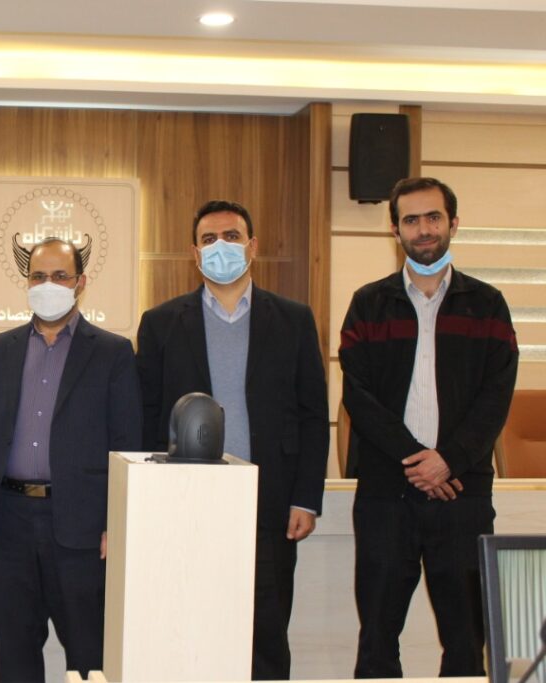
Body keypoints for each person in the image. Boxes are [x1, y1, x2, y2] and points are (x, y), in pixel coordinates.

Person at [136, 200, 328, 680]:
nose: (220, 246)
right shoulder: (161, 322)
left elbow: (312, 414)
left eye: (232, 236)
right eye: (209, 239)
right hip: (185, 504)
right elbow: (147, 418)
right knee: (188, 632)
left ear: (252, 246)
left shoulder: (294, 319)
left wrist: (306, 498)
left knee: (265, 635)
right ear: (194, 254)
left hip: (270, 501)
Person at [340, 177, 518, 678]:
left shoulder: (487, 304)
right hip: (385, 497)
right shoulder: (368, 304)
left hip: (462, 496)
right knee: (376, 641)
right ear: (394, 229)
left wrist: (448, 461)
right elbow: (359, 396)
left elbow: (496, 396)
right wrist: (417, 461)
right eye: (412, 219)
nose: (424, 229)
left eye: (433, 217)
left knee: (466, 643)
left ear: (453, 223)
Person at [0, 237, 142, 681]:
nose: (48, 285)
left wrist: (116, 524)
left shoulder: (112, 352)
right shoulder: (1, 348)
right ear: (27, 282)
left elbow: (127, 443)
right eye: (38, 276)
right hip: (9, 523)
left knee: (89, 656)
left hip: (81, 526)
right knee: (15, 655)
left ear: (81, 282)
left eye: (60, 276)